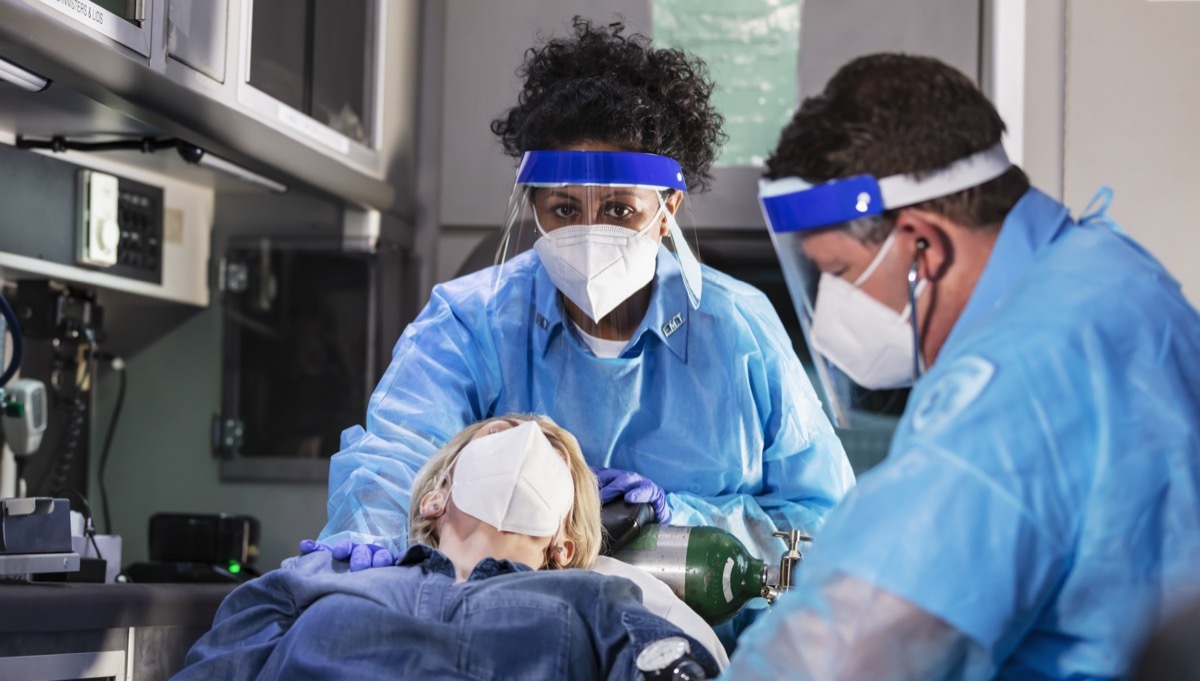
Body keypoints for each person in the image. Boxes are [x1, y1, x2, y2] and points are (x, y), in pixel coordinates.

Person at [309, 18, 853, 572]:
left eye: (619, 210)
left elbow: (824, 517)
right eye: (564, 210)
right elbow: (399, 454)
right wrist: (369, 533)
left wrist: (681, 520)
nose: (590, 233)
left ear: (667, 211)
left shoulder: (739, 330)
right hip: (509, 628)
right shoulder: (470, 321)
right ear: (534, 209)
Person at [724, 53, 1200, 680]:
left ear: (925, 243)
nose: (829, 310)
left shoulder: (1016, 376)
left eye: (838, 274)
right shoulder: (1110, 275)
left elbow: (851, 646)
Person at [174, 415, 720, 680]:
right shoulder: (324, 577)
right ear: (434, 498)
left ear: (563, 542)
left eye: (553, 450)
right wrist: (319, 570)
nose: (529, 436)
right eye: (501, 433)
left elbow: (672, 666)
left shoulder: (594, 599)